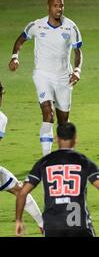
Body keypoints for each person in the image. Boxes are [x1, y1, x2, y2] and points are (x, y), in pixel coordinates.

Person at [8, 0, 83, 156]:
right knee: (48, 114)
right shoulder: (36, 25)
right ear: (48, 7)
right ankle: (46, 159)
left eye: (61, 6)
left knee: (63, 122)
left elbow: (78, 52)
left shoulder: (71, 27)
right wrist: (15, 57)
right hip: (43, 75)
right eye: (55, 6)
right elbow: (20, 41)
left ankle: (65, 155)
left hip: (64, 77)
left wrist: (77, 70)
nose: (59, 9)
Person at [15, 123, 99, 237]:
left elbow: (22, 193)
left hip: (52, 227)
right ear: (75, 139)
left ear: (56, 139)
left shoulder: (44, 162)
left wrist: (18, 220)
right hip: (79, 226)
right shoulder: (83, 161)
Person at [0, 82, 44, 234]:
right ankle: (43, 224)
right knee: (21, 190)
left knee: (20, 189)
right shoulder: (1, 118)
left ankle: (43, 224)